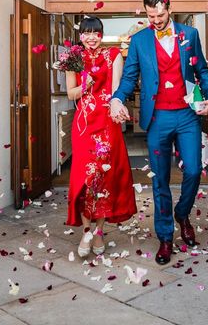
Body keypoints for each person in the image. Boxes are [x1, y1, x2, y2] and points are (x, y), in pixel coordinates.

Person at [110, 0, 208, 265]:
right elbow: (129, 76)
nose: (156, 20)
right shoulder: (139, 40)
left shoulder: (189, 35)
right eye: (150, 15)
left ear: (169, 9)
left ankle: (182, 213)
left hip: (187, 115)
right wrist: (116, 98)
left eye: (160, 15)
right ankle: (166, 237)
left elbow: (201, 70)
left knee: (194, 170)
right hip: (157, 118)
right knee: (160, 180)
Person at [65, 17, 137, 258]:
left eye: (96, 33)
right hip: (84, 123)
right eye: (87, 33)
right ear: (81, 35)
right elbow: (70, 93)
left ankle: (99, 232)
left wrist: (117, 108)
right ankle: (86, 229)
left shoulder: (114, 54)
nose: (91, 38)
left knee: (104, 178)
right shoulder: (73, 58)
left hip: (106, 122)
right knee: (84, 178)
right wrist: (85, 85)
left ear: (102, 34)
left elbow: (116, 88)